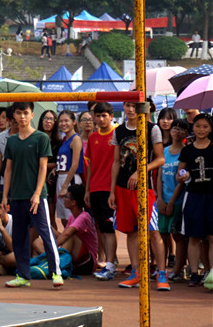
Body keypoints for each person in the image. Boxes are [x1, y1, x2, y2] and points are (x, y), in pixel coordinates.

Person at [2, 102, 63, 288]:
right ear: (14, 116)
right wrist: (5, 195)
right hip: (17, 195)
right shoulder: (11, 141)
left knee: (46, 234)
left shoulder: (40, 138)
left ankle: (56, 273)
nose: (22, 117)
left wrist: (37, 193)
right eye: (18, 113)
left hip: (37, 196)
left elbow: (43, 167)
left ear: (32, 115)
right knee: (20, 237)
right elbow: (8, 170)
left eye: (25, 113)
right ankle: (23, 275)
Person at [107, 101, 168, 290]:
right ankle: (136, 272)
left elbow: (160, 159)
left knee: (153, 231)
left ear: (143, 108)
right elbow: (116, 162)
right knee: (131, 231)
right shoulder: (118, 131)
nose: (131, 109)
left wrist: (140, 171)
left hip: (145, 188)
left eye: (135, 106)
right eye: (127, 105)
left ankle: (161, 273)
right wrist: (111, 191)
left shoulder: (152, 129)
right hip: (122, 188)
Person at [176, 113, 213, 287]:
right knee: (193, 237)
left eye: (205, 126)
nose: (201, 130)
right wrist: (184, 176)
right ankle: (194, 273)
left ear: (211, 129)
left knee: (212, 237)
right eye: (198, 126)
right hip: (193, 196)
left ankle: (211, 273)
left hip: (211, 196)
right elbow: (179, 174)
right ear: (193, 128)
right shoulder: (187, 150)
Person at [84, 102, 119, 280]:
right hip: (95, 188)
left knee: (108, 227)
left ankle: (111, 265)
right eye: (98, 116)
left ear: (112, 116)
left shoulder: (117, 133)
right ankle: (107, 262)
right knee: (100, 227)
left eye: (105, 115)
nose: (101, 119)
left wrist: (113, 190)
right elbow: (90, 166)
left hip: (109, 188)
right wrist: (88, 189)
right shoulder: (92, 137)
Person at [35, 184, 98, 275]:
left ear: (73, 202)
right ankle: (51, 261)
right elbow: (61, 235)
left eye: (66, 197)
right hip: (76, 260)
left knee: (70, 236)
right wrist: (44, 223)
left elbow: (66, 235)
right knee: (37, 242)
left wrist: (52, 248)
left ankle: (55, 264)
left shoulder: (84, 217)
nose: (63, 199)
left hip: (88, 263)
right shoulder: (72, 217)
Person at [158, 119, 189, 282]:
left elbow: (181, 180)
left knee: (178, 236)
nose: (177, 131)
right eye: (175, 128)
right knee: (161, 235)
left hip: (178, 200)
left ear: (186, 133)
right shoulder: (164, 151)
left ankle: (178, 269)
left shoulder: (186, 152)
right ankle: (161, 269)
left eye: (182, 129)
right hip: (163, 199)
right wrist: (160, 198)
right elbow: (159, 176)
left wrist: (171, 202)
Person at [55, 111, 83, 228]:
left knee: (72, 217)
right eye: (61, 121)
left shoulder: (75, 139)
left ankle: (77, 245)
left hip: (70, 179)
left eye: (66, 121)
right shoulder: (64, 139)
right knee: (63, 218)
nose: (63, 123)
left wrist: (65, 186)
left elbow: (75, 164)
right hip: (61, 177)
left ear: (74, 122)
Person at [38, 110, 60, 231]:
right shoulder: (35, 139)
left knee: (50, 216)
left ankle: (56, 245)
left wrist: (43, 165)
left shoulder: (59, 142)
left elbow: (60, 162)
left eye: (51, 119)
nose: (48, 121)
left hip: (51, 182)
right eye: (45, 118)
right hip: (35, 180)